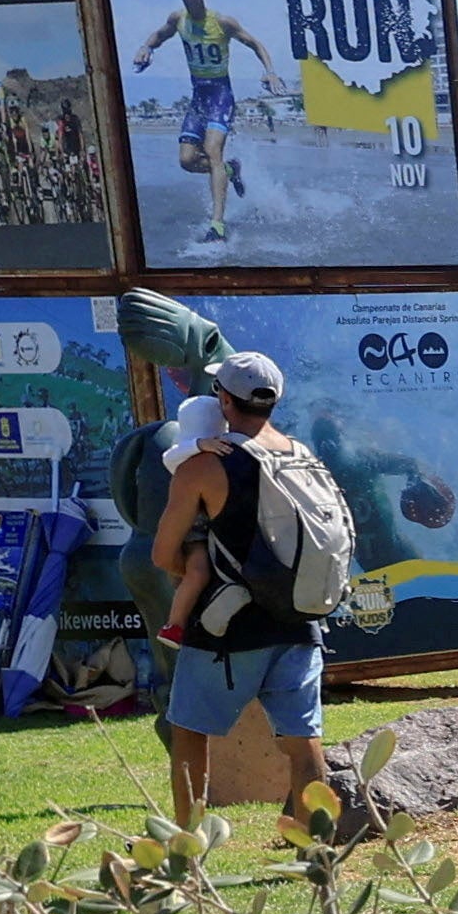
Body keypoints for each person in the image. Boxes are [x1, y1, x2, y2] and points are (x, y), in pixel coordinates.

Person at [147, 350, 337, 831]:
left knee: (189, 731)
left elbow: (161, 553)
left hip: (226, 626)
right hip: (299, 617)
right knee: (303, 740)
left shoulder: (204, 467)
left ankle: (187, 848)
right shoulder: (302, 454)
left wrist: (193, 567)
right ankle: (318, 850)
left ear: (223, 399)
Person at [121, 0, 277, 255]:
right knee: (187, 159)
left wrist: (270, 72)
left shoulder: (222, 23)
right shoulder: (177, 19)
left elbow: (255, 43)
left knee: (212, 149)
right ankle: (230, 169)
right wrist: (146, 48)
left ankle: (217, 225)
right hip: (199, 97)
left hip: (221, 94)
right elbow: (159, 35)